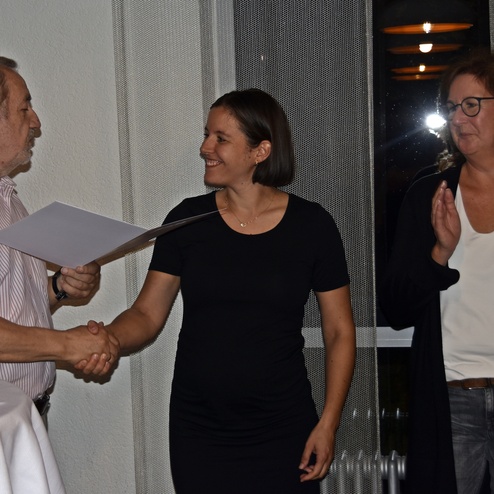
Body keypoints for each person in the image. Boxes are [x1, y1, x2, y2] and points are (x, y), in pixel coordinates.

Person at [79, 88, 356, 493]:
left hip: (283, 426)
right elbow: (146, 314)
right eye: (206, 135)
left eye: (220, 138)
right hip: (200, 430)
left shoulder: (312, 226)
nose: (205, 147)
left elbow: (339, 331)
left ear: (260, 151)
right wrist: (109, 340)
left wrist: (328, 424)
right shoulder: (187, 220)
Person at [380, 49, 494, 494]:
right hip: (452, 401)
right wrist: (439, 254)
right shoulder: (431, 194)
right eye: (451, 107)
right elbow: (396, 309)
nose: (457, 118)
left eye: (472, 105)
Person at [0, 55, 120, 417]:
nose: (36, 122)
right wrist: (67, 345)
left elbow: (11, 307)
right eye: (24, 109)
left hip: (24, 420)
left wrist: (59, 288)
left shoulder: (8, 199)